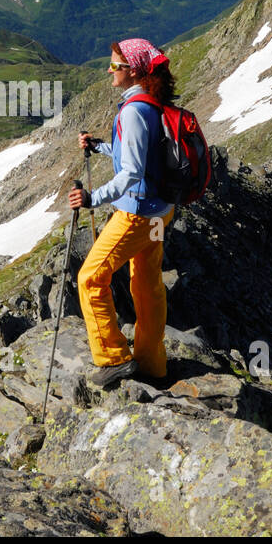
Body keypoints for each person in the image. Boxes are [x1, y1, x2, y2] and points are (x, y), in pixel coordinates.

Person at [68, 38, 176, 388]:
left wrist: (91, 198)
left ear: (133, 70)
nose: (109, 70)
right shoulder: (151, 103)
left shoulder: (132, 111)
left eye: (115, 65)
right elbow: (140, 157)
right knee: (147, 284)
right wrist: (100, 146)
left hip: (137, 216)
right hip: (161, 213)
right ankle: (152, 363)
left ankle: (113, 358)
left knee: (90, 278)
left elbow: (130, 173)